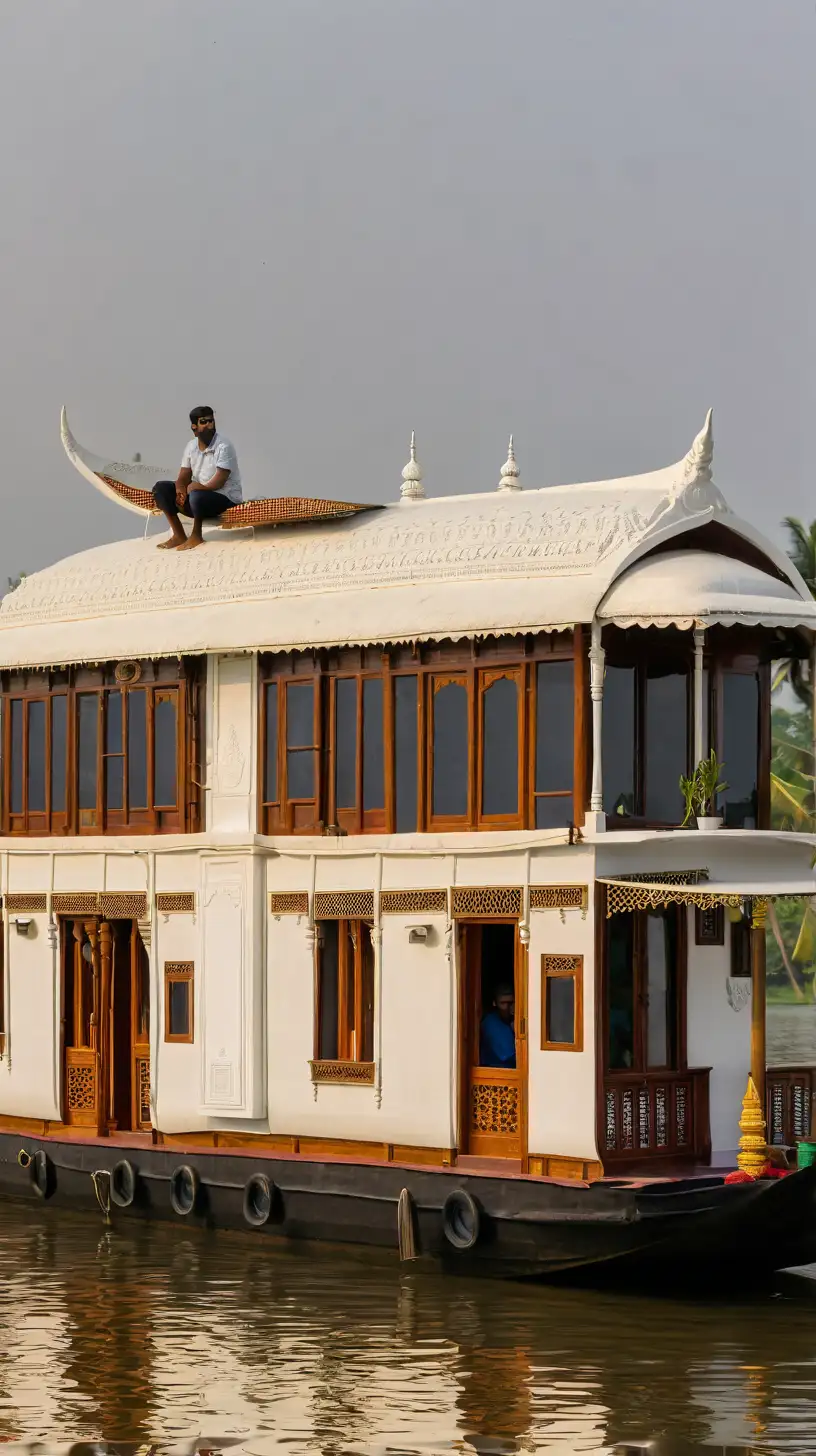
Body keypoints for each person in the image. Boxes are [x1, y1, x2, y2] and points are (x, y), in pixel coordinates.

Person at [152, 407, 243, 551]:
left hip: (225, 499)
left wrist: (197, 487)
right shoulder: (191, 446)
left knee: (196, 495)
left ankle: (196, 535)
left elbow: (220, 480)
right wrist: (180, 490)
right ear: (194, 427)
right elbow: (183, 476)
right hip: (197, 499)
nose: (209, 425)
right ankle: (179, 535)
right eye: (204, 422)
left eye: (211, 421)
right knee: (161, 488)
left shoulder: (224, 446)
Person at [479, 983, 516, 1069]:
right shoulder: (491, 1023)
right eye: (503, 1003)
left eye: (510, 1003)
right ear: (495, 1003)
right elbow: (510, 1055)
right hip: (496, 1073)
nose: (507, 1007)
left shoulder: (512, 1020)